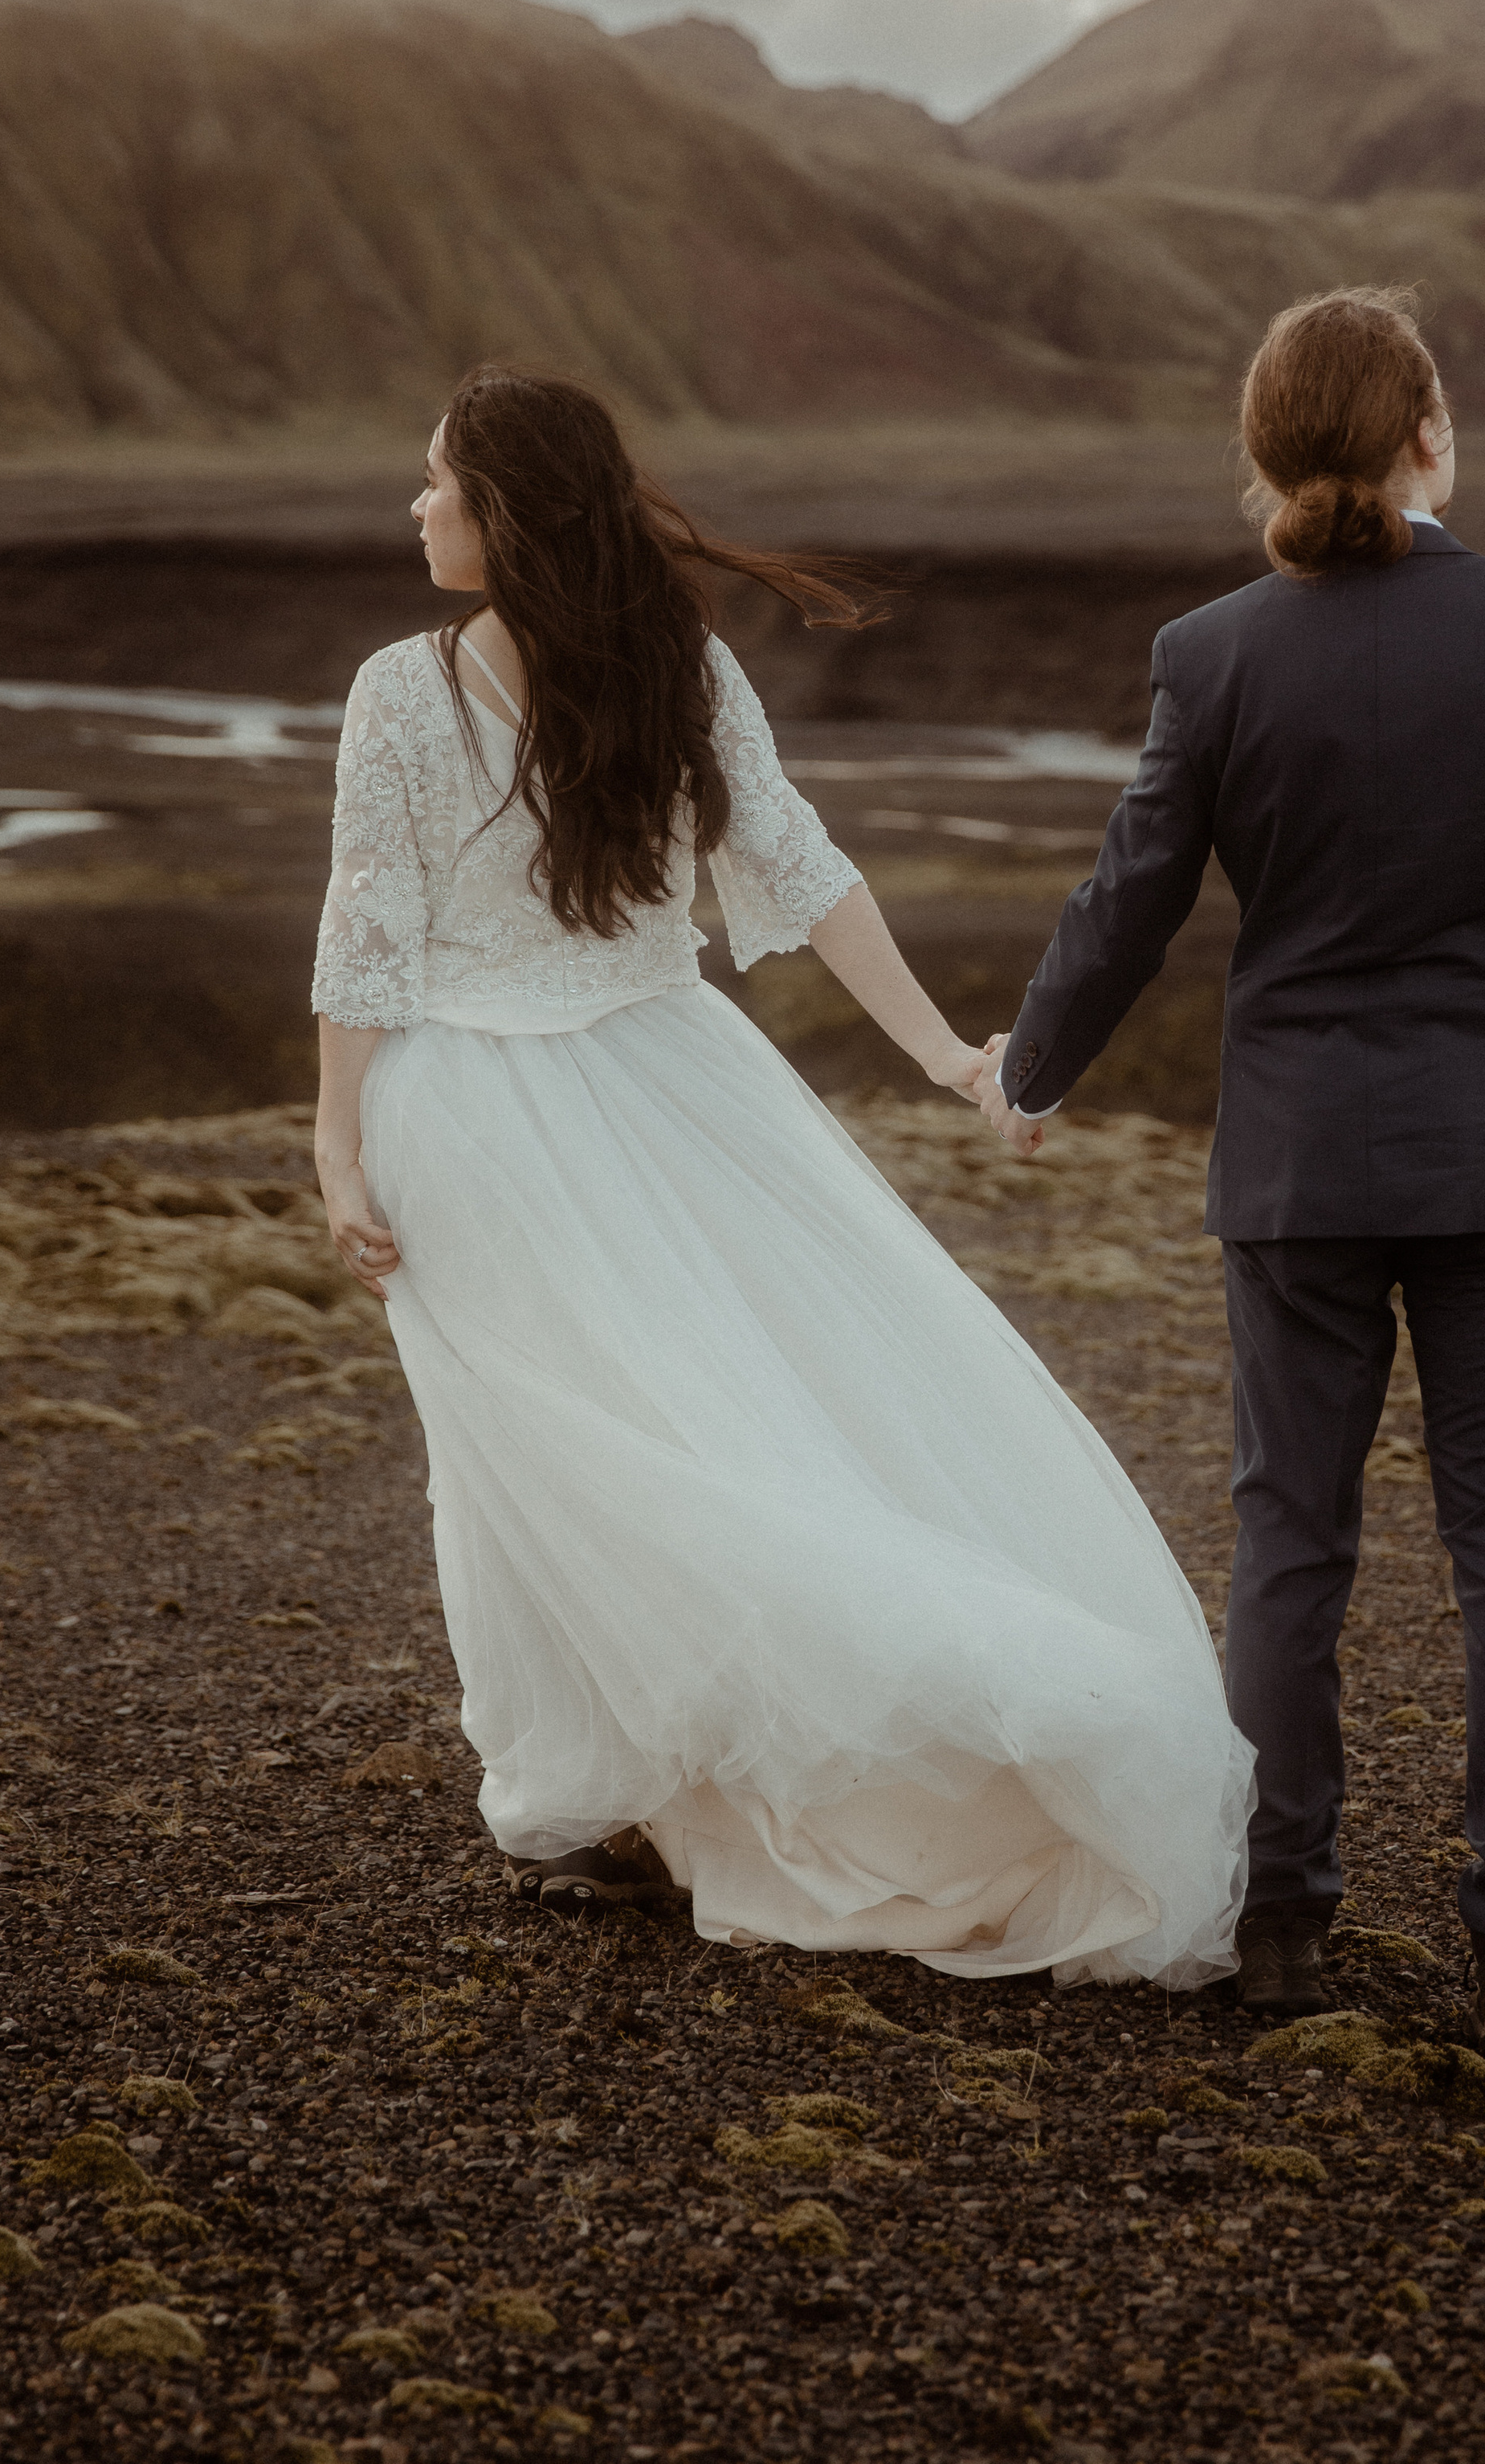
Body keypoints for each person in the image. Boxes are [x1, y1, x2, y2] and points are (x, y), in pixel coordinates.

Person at [309, 366, 1253, 1988]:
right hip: (671, 1079)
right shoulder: (679, 663)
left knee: (558, 1456)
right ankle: (648, 1783)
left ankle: (631, 1788)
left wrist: (334, 1139)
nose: (416, 504)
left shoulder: (406, 691)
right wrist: (945, 1050)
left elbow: (367, 942)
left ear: (508, 510)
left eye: (439, 480)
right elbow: (804, 879)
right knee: (678, 1426)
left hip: (469, 1113)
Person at [981, 287, 1485, 2050]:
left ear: (1263, 450)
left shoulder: (1212, 654)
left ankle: (1278, 1920)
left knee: (1291, 1543)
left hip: (1293, 1164)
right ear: (1426, 431)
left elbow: (1130, 895)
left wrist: (1031, 1067)